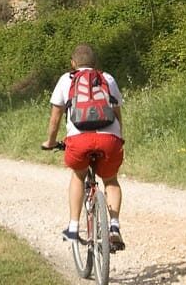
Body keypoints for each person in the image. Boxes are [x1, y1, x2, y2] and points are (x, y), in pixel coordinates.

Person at [42, 43, 126, 250]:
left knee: (79, 175)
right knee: (111, 180)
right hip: (110, 139)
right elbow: (116, 114)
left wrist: (50, 142)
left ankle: (72, 227)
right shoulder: (107, 78)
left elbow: (55, 119)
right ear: (95, 63)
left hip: (79, 140)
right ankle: (114, 226)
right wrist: (118, 137)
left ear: (73, 63)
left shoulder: (66, 79)